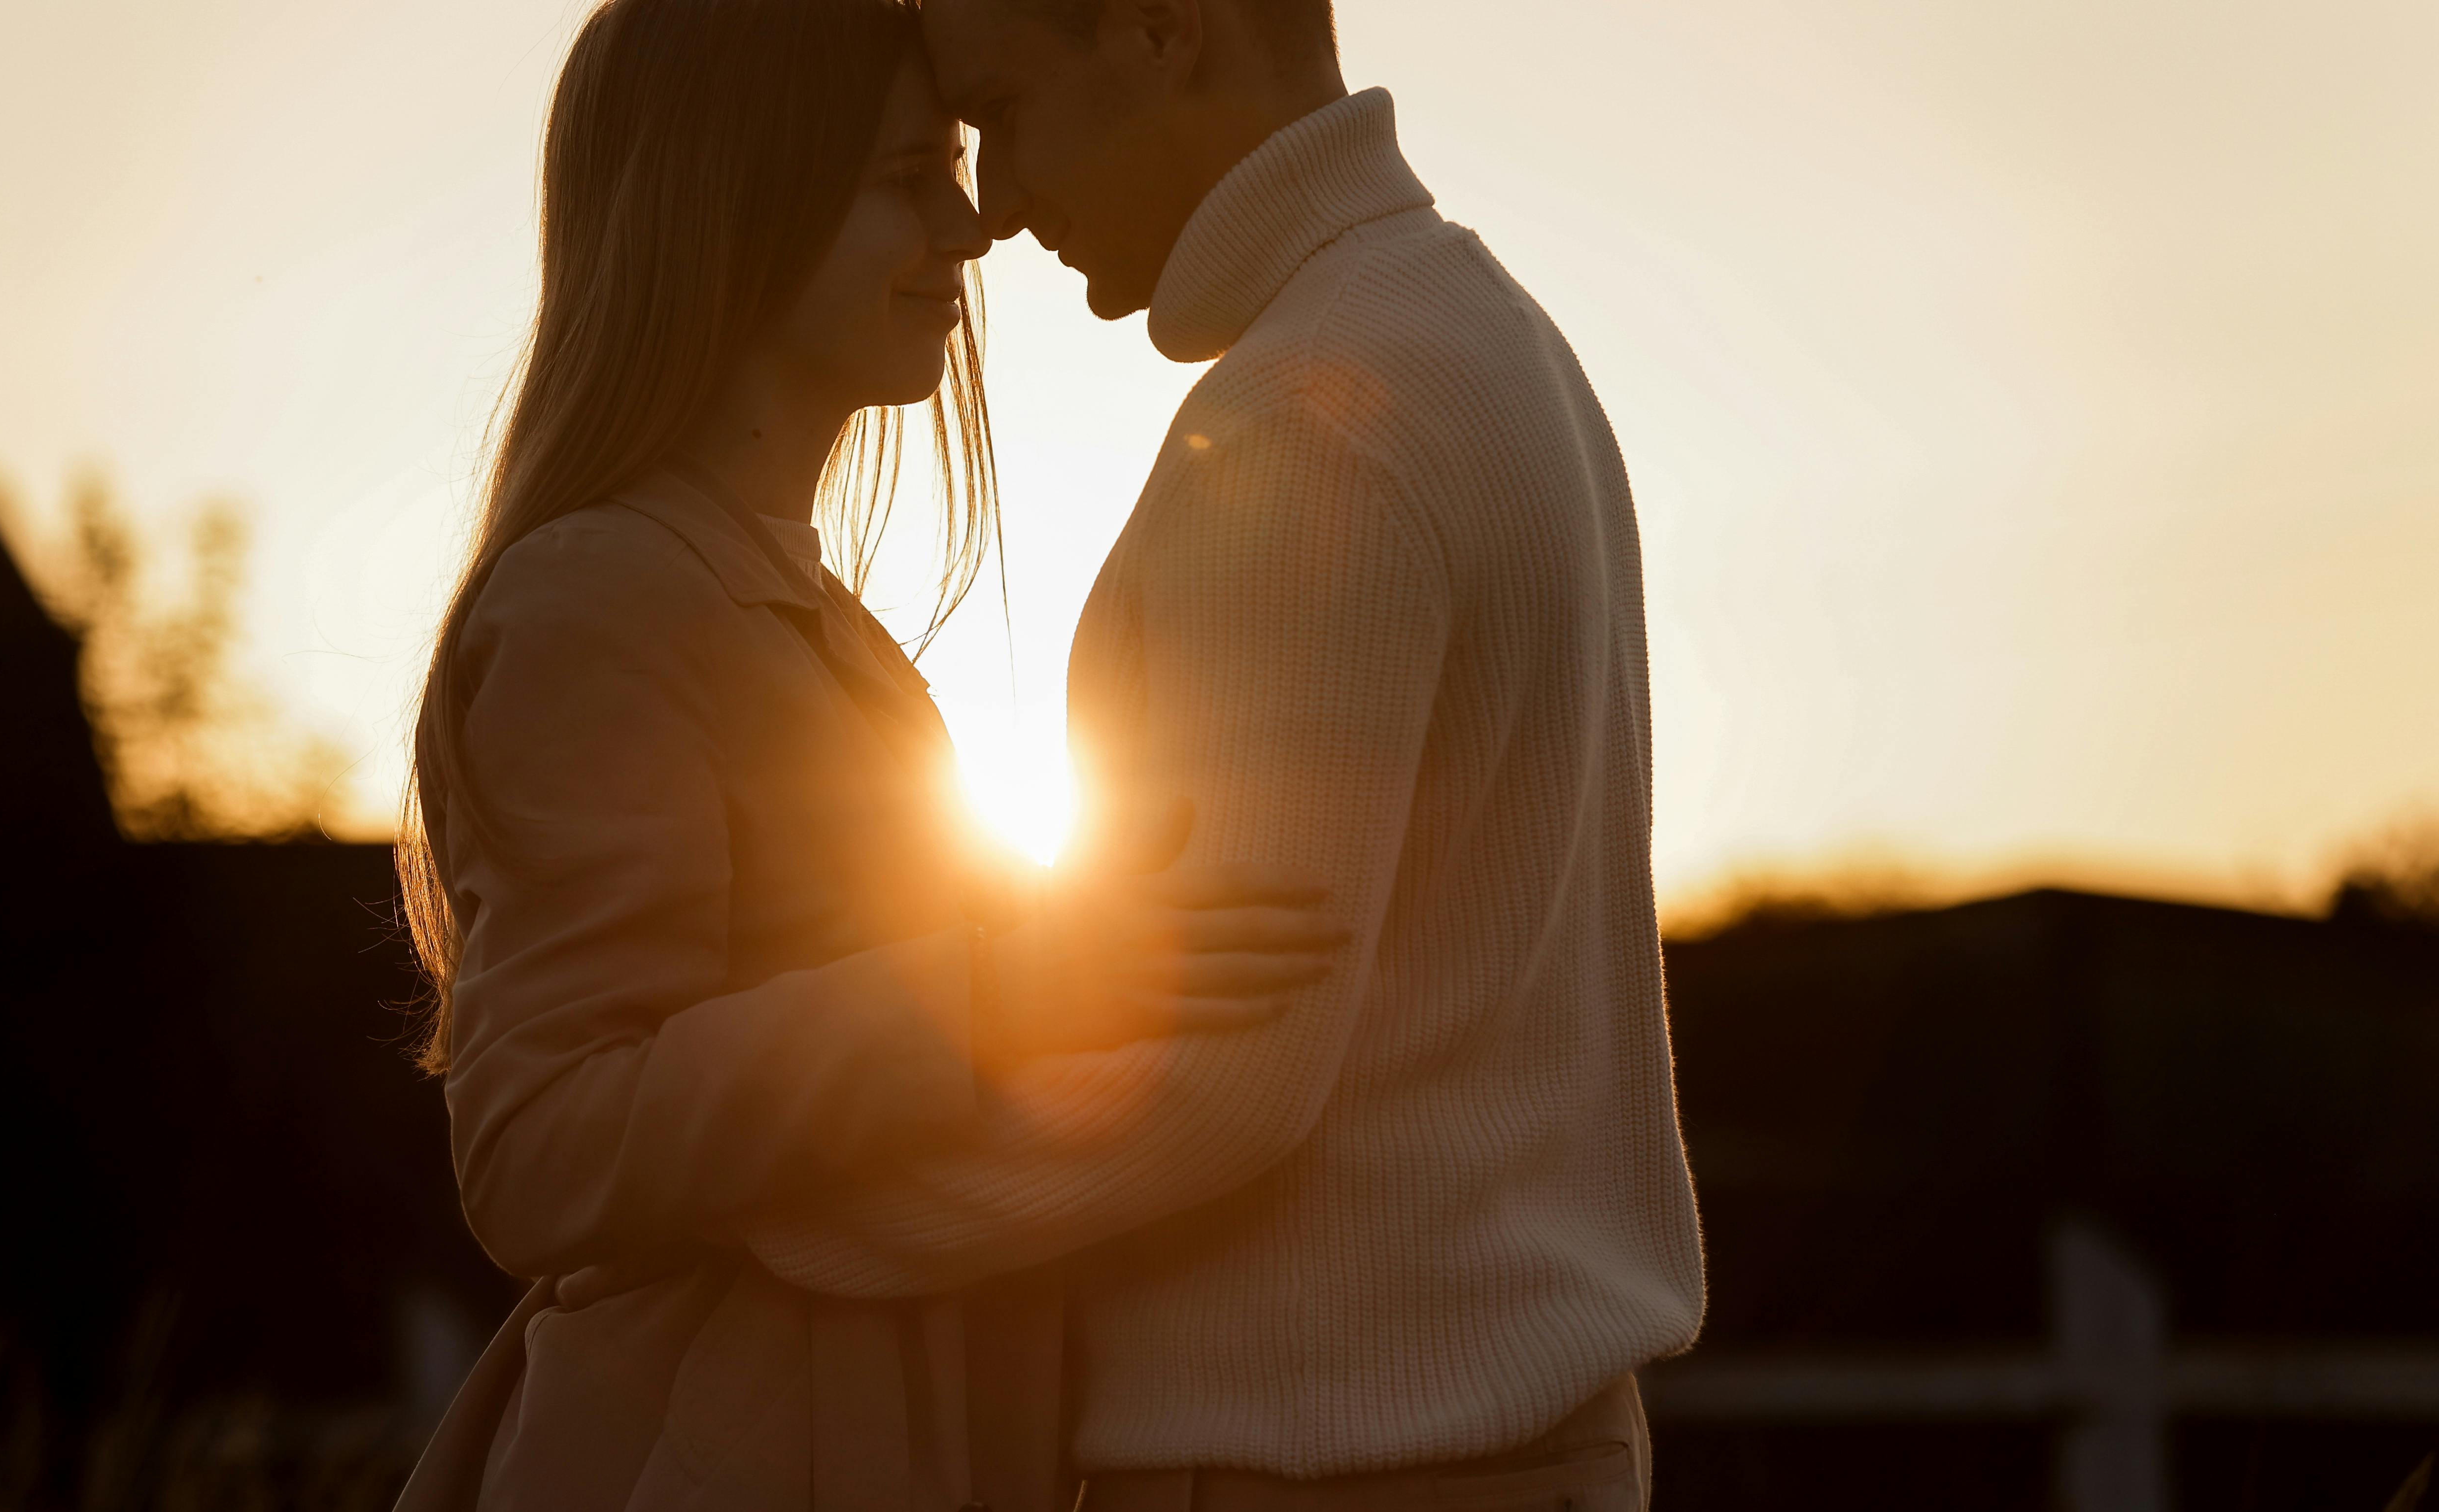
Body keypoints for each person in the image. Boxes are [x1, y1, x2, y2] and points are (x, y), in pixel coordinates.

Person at [742, 1, 1708, 1508]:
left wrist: (789, 1236)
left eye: (1001, 106)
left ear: (1157, 30)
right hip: (1494, 1453)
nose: (991, 204)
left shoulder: (1314, 420)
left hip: (1336, 1467)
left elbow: (1217, 1079)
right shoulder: (1486, 337)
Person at [386, 2, 1347, 1509]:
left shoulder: (793, 612)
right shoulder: (598, 597)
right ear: (738, 213)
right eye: (909, 175)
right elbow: (542, 1143)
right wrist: (999, 990)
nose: (972, 225)